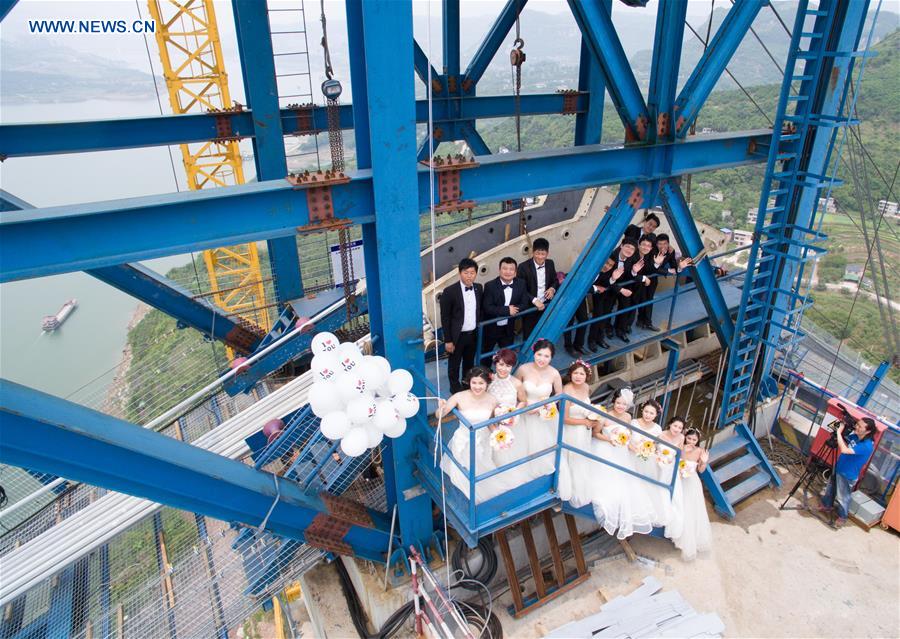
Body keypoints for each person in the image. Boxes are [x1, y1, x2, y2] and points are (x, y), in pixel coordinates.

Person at [588, 388, 655, 539]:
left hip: (621, 450)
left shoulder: (627, 417)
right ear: (614, 402)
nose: (620, 406)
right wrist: (610, 439)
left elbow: (628, 435)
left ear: (627, 406)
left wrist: (633, 447)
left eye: (623, 404)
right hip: (605, 448)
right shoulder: (604, 416)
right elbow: (595, 433)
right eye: (618, 403)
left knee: (626, 481)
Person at [435, 367, 506, 503]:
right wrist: (441, 407)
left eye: (481, 383)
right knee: (463, 474)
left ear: (487, 384)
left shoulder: (492, 400)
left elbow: (491, 423)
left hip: (483, 439)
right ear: (469, 382)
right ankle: (469, 498)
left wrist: (498, 435)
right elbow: (440, 415)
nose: (477, 387)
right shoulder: (459, 397)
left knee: (483, 472)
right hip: (463, 439)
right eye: (474, 383)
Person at [515, 338, 563, 477]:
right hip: (524, 411)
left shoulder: (554, 373)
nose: (542, 359)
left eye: (546, 356)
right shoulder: (523, 369)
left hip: (543, 414)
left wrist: (545, 406)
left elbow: (559, 395)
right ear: (534, 353)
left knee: (543, 445)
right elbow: (516, 389)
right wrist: (523, 404)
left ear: (551, 357)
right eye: (539, 354)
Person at [819, 416, 878, 526]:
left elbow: (845, 450)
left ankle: (842, 517)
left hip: (847, 475)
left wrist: (838, 432)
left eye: (860, 426)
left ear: (868, 431)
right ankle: (826, 505)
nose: (857, 427)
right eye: (857, 424)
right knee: (830, 489)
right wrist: (842, 427)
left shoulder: (867, 446)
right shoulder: (856, 436)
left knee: (843, 497)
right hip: (839, 467)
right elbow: (845, 438)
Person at [440, 258, 483, 393]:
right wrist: (448, 340)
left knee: (469, 362)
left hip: (472, 334)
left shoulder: (478, 288)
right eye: (466, 272)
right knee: (454, 364)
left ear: (476, 273)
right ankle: (454, 388)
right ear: (460, 273)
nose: (469, 276)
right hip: (457, 336)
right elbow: (445, 317)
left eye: (472, 272)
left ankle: (466, 384)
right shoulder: (449, 291)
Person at [557, 360, 596, 508]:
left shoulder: (586, 387)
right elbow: (565, 419)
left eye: (582, 373)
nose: (578, 376)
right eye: (575, 373)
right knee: (573, 458)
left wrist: (591, 418)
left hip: (584, 430)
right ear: (570, 374)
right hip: (572, 429)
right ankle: (571, 490)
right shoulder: (567, 390)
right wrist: (584, 422)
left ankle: (584, 487)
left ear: (587, 376)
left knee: (582, 458)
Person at [487, 348, 529, 483]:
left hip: (510, 423)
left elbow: (523, 401)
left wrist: (513, 413)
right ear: (495, 364)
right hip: (490, 422)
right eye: (500, 364)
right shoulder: (489, 380)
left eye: (508, 366)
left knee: (508, 453)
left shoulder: (516, 383)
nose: (503, 369)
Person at [671, 428, 712, 560]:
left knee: (691, 509)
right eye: (689, 438)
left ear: (698, 440)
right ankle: (676, 533)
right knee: (679, 506)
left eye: (694, 440)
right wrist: (682, 450)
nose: (691, 442)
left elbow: (700, 470)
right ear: (685, 437)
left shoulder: (700, 451)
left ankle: (690, 539)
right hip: (679, 479)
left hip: (691, 482)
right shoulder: (681, 447)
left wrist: (704, 461)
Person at [638, 234, 692, 331]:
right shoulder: (652, 250)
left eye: (665, 244)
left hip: (653, 280)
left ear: (668, 244)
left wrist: (679, 267)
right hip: (644, 276)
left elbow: (674, 266)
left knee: (649, 300)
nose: (662, 246)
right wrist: (667, 271)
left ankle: (647, 322)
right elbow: (650, 266)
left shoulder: (671, 252)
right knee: (640, 299)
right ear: (656, 244)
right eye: (660, 244)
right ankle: (640, 320)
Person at [630, 399, 670, 527]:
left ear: (656, 415)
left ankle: (642, 510)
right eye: (646, 411)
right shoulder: (634, 422)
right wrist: (634, 448)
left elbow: (656, 446)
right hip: (631, 455)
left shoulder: (657, 429)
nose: (648, 415)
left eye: (651, 413)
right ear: (642, 410)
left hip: (647, 458)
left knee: (646, 484)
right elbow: (627, 439)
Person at [482, 257, 529, 361]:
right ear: (499, 270)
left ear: (515, 272)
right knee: (486, 353)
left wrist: (514, 310)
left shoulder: (521, 283)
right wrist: (507, 310)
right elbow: (487, 307)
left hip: (509, 327)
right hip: (491, 328)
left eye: (511, 269)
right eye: (504, 268)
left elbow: (525, 303)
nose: (508, 272)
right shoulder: (490, 286)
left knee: (507, 354)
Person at [518, 238, 558, 339]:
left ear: (547, 253)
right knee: (528, 334)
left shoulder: (550, 263)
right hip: (530, 306)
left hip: (546, 304)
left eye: (543, 254)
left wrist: (552, 289)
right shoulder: (523, 267)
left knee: (545, 331)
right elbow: (521, 289)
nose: (540, 257)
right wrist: (534, 300)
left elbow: (555, 280)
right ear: (533, 252)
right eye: (537, 253)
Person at [659, 416, 686, 542]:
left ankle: (672, 525)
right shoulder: (661, 435)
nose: (677, 429)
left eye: (680, 427)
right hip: (659, 463)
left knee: (675, 497)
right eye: (675, 426)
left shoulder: (681, 437)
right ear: (670, 424)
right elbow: (655, 449)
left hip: (671, 466)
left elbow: (679, 453)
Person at [588, 258, 617, 351]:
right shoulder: (592, 267)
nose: (607, 266)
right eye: (606, 263)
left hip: (605, 294)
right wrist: (596, 287)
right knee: (594, 317)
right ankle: (591, 341)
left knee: (603, 316)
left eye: (610, 265)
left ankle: (600, 339)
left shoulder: (610, 272)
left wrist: (613, 279)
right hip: (593, 294)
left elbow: (606, 282)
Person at [558, 271, 589, 357]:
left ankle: (579, 344)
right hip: (569, 296)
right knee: (569, 323)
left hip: (580, 296)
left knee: (584, 319)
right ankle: (568, 346)